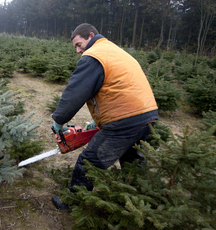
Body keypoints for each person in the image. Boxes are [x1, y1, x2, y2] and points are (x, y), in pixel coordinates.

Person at [51, 23, 158, 210]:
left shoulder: (93, 56)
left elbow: (75, 93)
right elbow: (119, 85)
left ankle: (73, 203)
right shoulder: (114, 50)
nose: (78, 50)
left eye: (79, 44)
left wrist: (59, 120)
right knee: (133, 160)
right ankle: (144, 203)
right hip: (147, 115)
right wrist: (97, 119)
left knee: (89, 161)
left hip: (125, 121)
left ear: (90, 35)